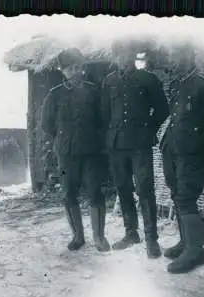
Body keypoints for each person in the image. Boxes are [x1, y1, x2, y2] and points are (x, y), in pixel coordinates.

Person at [160, 42, 204, 274]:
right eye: (172, 54)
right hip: (172, 149)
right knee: (177, 195)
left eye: (178, 53)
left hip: (191, 152)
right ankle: (186, 243)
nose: (173, 59)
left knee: (186, 198)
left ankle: (195, 251)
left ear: (191, 54)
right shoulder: (176, 85)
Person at [101, 40, 169, 258]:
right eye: (118, 54)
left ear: (133, 55)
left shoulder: (148, 79)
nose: (123, 59)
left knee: (145, 188)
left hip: (140, 143)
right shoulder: (109, 81)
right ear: (114, 57)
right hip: (117, 144)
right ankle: (131, 233)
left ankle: (152, 240)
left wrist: (148, 129)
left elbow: (162, 109)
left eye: (126, 53)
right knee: (123, 187)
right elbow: (104, 113)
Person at [41, 48, 110, 252]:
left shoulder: (93, 91)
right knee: (69, 192)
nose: (75, 71)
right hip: (67, 153)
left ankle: (99, 237)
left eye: (78, 67)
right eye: (70, 68)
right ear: (63, 71)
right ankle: (78, 237)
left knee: (95, 191)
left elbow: (103, 119)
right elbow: (47, 124)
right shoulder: (54, 95)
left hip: (91, 151)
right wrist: (63, 138)